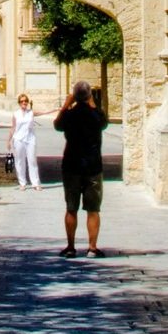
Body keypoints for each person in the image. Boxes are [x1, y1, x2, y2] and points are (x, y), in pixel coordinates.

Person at [54, 80, 108, 256]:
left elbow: (57, 125)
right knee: (93, 209)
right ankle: (92, 248)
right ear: (89, 95)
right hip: (93, 167)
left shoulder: (69, 115)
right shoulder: (95, 115)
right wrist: (92, 103)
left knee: (71, 208)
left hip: (71, 165)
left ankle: (70, 247)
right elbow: (104, 122)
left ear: (75, 96)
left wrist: (66, 105)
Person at [8, 93, 42, 190]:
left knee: (32, 160)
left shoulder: (30, 112)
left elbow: (42, 113)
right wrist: (8, 140)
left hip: (30, 139)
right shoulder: (16, 114)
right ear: (19, 103)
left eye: (26, 101)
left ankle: (35, 183)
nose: (24, 103)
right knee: (19, 161)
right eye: (22, 101)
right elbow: (13, 127)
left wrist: (58, 110)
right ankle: (22, 183)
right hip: (18, 139)